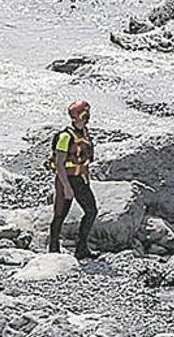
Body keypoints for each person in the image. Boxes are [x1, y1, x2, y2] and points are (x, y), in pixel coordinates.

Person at [48, 99, 98, 259]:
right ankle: (53, 249)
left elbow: (85, 158)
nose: (87, 116)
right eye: (85, 113)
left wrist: (86, 177)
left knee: (91, 211)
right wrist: (66, 187)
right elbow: (59, 164)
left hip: (80, 178)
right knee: (60, 214)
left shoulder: (85, 133)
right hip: (66, 179)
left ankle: (81, 248)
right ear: (77, 116)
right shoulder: (65, 136)